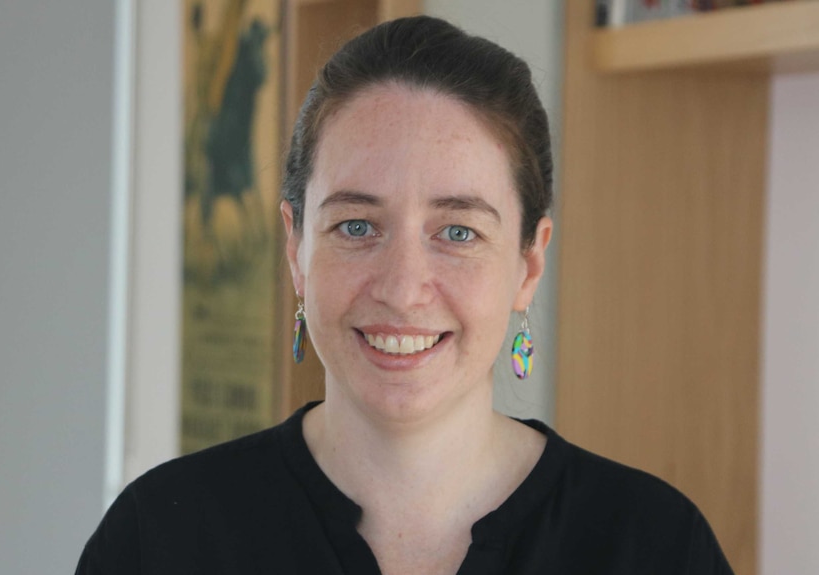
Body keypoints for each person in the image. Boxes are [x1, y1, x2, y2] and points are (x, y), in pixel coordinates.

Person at [76, 16, 734, 574]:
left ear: (529, 262)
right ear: (295, 247)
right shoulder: (158, 539)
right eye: (357, 226)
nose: (402, 287)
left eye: (457, 231)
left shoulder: (655, 547)